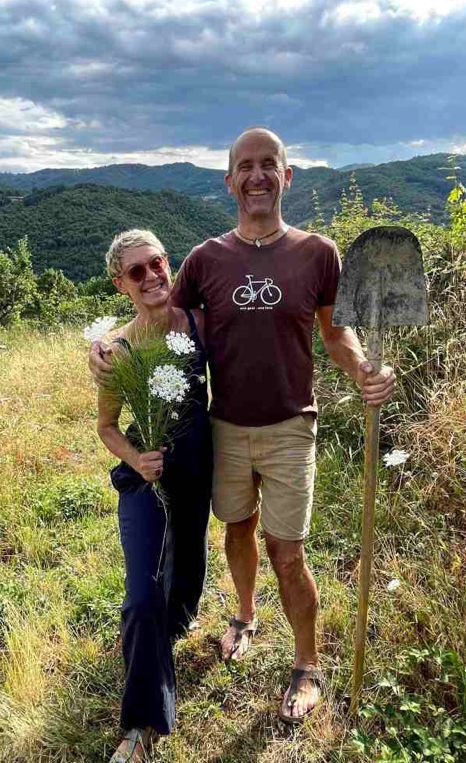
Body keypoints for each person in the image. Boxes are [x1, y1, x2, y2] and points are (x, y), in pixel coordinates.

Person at [91, 128, 395, 725]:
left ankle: (307, 664)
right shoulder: (206, 259)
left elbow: (335, 334)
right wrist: (103, 345)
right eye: (245, 167)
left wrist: (362, 367)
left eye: (268, 164)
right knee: (237, 528)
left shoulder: (319, 253)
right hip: (224, 428)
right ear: (229, 182)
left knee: (287, 550)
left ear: (287, 176)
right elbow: (160, 317)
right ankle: (245, 616)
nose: (257, 176)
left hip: (291, 425)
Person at [96, 229, 212, 762]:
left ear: (170, 263)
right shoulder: (116, 351)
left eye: (157, 263)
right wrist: (136, 458)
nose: (151, 276)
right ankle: (141, 726)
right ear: (120, 284)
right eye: (135, 271)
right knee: (143, 591)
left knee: (186, 565)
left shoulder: (198, 323)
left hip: (196, 469)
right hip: (145, 477)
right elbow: (106, 426)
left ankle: (167, 628)